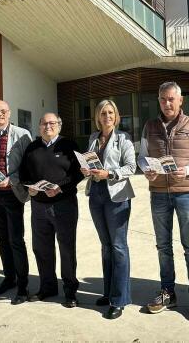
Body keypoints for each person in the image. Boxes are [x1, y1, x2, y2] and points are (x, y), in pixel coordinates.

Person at [138, 81, 189, 321]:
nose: (167, 103)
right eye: (163, 99)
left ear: (180, 100)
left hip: (187, 192)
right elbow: (142, 157)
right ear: (158, 101)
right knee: (163, 246)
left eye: (171, 99)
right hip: (159, 193)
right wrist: (146, 170)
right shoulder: (149, 126)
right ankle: (168, 292)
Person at [19, 113, 84, 308]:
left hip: (64, 205)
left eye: (52, 123)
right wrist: (28, 186)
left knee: (66, 248)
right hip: (38, 206)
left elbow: (78, 173)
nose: (48, 126)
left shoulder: (69, 145)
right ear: (39, 127)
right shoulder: (32, 147)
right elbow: (24, 173)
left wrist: (60, 187)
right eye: (44, 123)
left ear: (59, 125)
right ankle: (48, 287)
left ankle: (70, 291)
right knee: (42, 248)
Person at [81, 100, 136, 320]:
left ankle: (120, 299)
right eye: (103, 113)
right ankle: (108, 292)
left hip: (117, 196)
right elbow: (90, 161)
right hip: (96, 194)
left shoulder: (124, 138)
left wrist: (109, 174)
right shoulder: (94, 138)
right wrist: (87, 170)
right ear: (98, 116)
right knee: (106, 246)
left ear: (116, 115)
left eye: (110, 112)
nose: (107, 116)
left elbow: (131, 167)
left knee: (118, 247)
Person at [0, 100, 32, 305]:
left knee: (16, 241)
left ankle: (23, 286)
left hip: (13, 194)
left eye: (3, 111)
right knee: (2, 240)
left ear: (9, 113)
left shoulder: (22, 134)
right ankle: (9, 278)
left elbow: (29, 164)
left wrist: (14, 179)